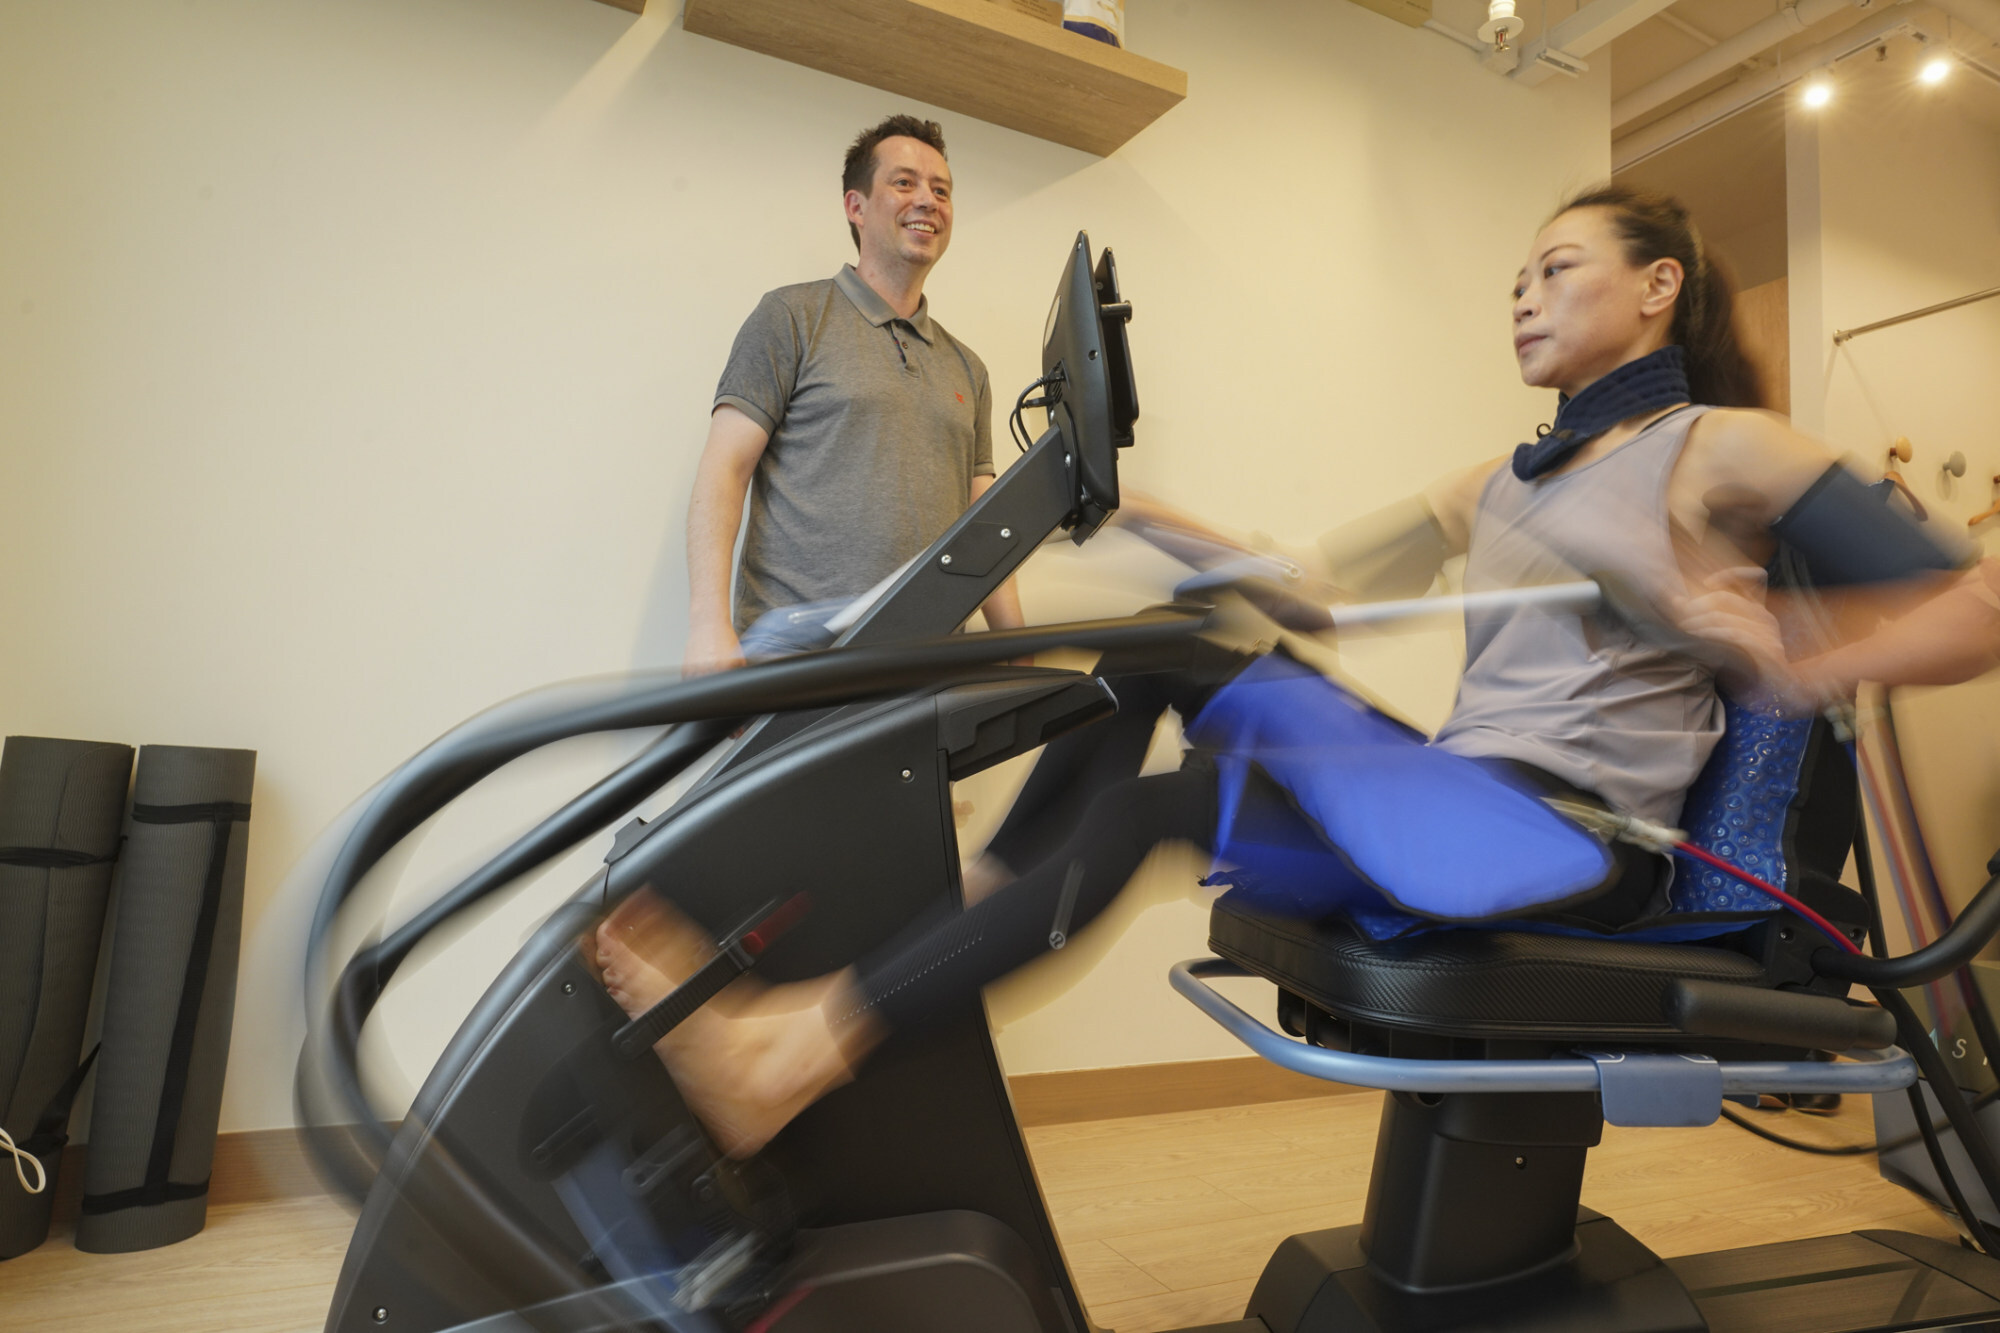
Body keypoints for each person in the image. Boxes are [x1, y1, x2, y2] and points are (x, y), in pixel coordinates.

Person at [605, 185, 2000, 1158]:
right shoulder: (1497, 482)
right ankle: (955, 926)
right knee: (1166, 657)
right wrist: (1123, 499)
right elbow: (1309, 594)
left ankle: (787, 1056)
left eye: (1557, 267)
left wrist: (1793, 647)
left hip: (1571, 844)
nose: (1522, 292)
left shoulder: (1723, 449)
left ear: (1657, 288)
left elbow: (1975, 606)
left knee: (1159, 807)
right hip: (1471, 803)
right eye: (1514, 274)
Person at [682, 114, 1023, 676]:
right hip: (796, 663)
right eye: (905, 182)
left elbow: (984, 518)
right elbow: (724, 470)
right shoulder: (792, 317)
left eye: (942, 190)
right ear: (855, 206)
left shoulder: (969, 369)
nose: (928, 200)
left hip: (926, 667)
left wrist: (1014, 643)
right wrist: (707, 627)